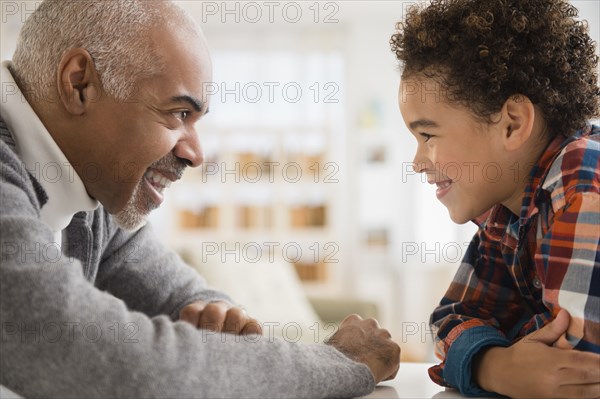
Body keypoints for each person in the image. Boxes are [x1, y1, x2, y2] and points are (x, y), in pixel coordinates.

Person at [0, 1, 401, 397]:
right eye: (178, 114)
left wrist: (220, 321)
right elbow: (115, 363)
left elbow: (190, 301)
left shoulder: (95, 200)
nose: (196, 154)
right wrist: (341, 362)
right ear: (79, 83)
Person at [391, 0, 600, 397]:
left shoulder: (581, 180)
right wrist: (496, 365)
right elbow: (452, 317)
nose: (417, 162)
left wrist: (487, 351)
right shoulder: (507, 214)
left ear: (512, 124)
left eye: (428, 135)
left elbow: (575, 369)